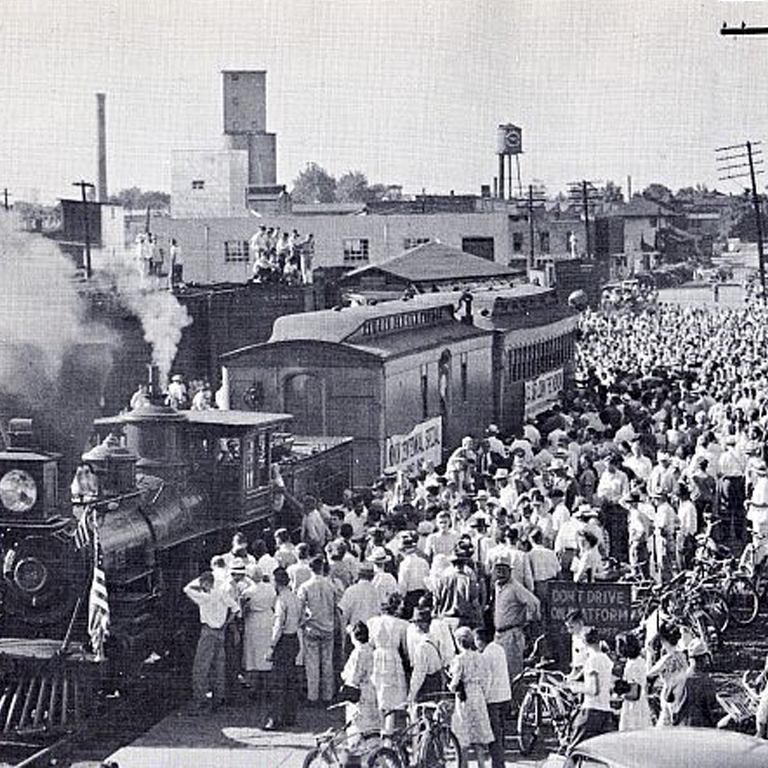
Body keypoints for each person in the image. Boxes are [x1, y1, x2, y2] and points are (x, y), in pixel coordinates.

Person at [183, 570, 240, 713]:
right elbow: (235, 608)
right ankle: (218, 699)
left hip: (208, 631)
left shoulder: (204, 597)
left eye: (203, 584)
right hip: (220, 632)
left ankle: (200, 699)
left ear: (206, 583)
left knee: (200, 667)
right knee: (218, 666)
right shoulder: (221, 593)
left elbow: (187, 588)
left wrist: (199, 581)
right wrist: (226, 623)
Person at [449, 627, 494, 768]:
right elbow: (487, 677)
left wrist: (450, 686)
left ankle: (464, 765)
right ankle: (482, 765)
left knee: (463, 732)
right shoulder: (480, 657)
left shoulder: (459, 659)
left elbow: (455, 681)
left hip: (465, 696)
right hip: (478, 694)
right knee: (479, 734)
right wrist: (484, 693)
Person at [263, 567, 300, 730]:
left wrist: (272, 646)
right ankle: (289, 716)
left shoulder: (281, 600)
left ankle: (275, 718)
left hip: (283, 641)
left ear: (276, 582)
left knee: (277, 682)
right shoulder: (295, 598)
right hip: (294, 638)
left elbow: (278, 625)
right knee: (290, 680)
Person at [297, 556, 337, 705]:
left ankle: (312, 695)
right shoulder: (331, 585)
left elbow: (300, 606)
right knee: (327, 662)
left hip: (312, 627)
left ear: (311, 568)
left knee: (312, 663)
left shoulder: (305, 586)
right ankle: (327, 695)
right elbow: (335, 605)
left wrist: (301, 622)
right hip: (328, 626)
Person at [567, 627, 616, 751]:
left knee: (574, 749)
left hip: (591, 711)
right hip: (605, 710)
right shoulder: (606, 659)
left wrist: (576, 688)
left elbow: (594, 689)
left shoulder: (591, 661)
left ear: (584, 642)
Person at [492, 559, 540, 681]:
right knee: (500, 671)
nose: (501, 573)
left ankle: (517, 699)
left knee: (513, 673)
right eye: (498, 569)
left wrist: (529, 620)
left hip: (512, 634)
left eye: (504, 569)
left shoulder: (515, 587)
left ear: (510, 571)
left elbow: (534, 603)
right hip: (499, 635)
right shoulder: (498, 586)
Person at [474, 626, 511, 768]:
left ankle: (497, 765)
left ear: (480, 640)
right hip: (504, 695)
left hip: (493, 699)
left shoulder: (485, 655)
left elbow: (487, 678)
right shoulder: (499, 649)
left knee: (493, 735)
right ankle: (500, 763)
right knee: (501, 734)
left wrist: (483, 696)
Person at [367, 593, 409, 716]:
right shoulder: (402, 624)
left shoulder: (372, 622)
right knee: (391, 692)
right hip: (393, 657)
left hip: (377, 655)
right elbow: (405, 647)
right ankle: (387, 726)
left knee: (379, 687)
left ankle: (380, 724)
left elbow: (371, 642)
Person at [340, 621, 381, 741]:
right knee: (372, 727)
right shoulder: (372, 650)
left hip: (359, 693)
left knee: (356, 727)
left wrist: (344, 675)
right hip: (372, 690)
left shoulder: (358, 653)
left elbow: (355, 677)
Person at [240, 566, 275, 697]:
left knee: (253, 652)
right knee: (266, 651)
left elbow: (244, 609)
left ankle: (254, 686)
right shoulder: (270, 588)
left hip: (254, 620)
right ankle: (267, 685)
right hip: (267, 619)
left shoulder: (248, 591)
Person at [647, 621, 689, 727]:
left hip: (670, 694)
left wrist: (650, 655)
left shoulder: (666, 660)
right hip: (682, 693)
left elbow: (650, 674)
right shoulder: (683, 656)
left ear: (664, 641)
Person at [676, 639, 718, 728]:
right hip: (701, 726)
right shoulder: (707, 681)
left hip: (683, 725)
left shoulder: (681, 678)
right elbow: (711, 705)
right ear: (704, 658)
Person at [615, 632, 652, 731]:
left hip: (633, 709)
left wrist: (619, 695)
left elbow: (634, 694)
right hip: (641, 704)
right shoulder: (639, 661)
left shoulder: (633, 665)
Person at [408, 606, 445, 704]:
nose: (415, 626)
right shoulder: (434, 640)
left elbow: (419, 673)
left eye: (416, 623)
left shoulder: (422, 647)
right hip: (437, 683)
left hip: (427, 687)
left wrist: (411, 695)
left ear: (422, 624)